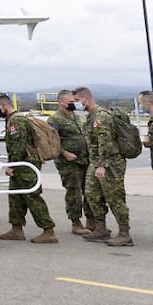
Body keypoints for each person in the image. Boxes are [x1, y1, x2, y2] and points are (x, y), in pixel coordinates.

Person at [0, 95, 58, 243]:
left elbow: (18, 146)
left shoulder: (16, 121)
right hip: (22, 164)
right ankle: (16, 229)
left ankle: (48, 230)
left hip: (24, 164)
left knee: (32, 197)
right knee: (15, 196)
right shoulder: (15, 119)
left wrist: (12, 165)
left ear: (4, 106)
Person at [73, 86, 131, 246]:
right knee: (91, 194)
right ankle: (101, 229)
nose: (75, 104)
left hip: (110, 163)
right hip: (96, 162)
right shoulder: (90, 117)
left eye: (77, 100)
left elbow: (105, 142)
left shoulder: (101, 116)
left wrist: (102, 165)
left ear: (86, 98)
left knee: (114, 198)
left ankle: (125, 233)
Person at [49, 90, 92, 235]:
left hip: (83, 160)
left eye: (74, 102)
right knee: (74, 192)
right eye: (70, 102)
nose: (73, 105)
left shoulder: (77, 116)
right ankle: (76, 222)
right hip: (68, 162)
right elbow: (51, 141)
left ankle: (91, 220)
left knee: (89, 190)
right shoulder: (55, 119)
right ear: (60, 102)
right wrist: (64, 153)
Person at [139, 90, 153, 172]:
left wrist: (150, 142)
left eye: (141, 103)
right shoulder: (152, 121)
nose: (141, 106)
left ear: (147, 103)